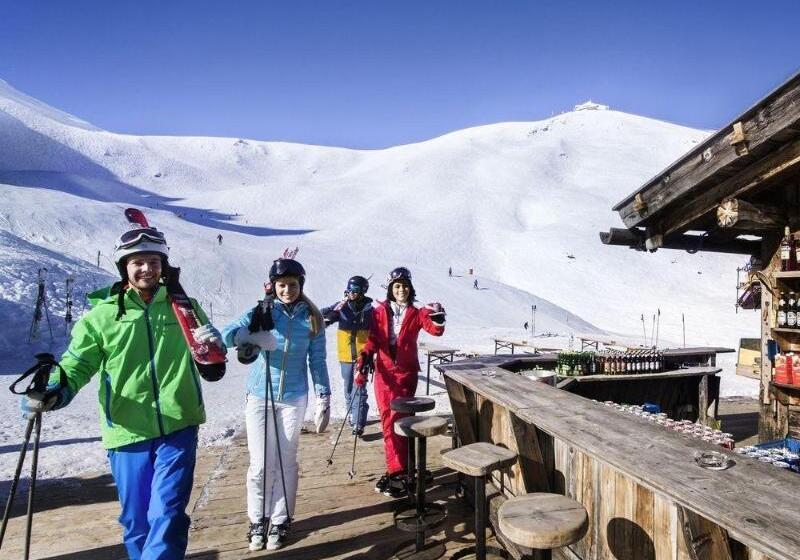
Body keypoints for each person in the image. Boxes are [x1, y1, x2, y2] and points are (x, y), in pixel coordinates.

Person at [20, 224, 225, 560]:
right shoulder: (101, 316)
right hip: (126, 430)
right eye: (138, 262)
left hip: (179, 423)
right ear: (124, 267)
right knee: (137, 522)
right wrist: (55, 389)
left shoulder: (184, 307)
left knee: (168, 515)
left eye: (154, 262)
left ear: (163, 266)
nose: (147, 269)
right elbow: (78, 364)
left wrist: (214, 349)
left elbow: (210, 361)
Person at [222, 258, 331, 551]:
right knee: (260, 464)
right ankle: (258, 518)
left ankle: (281, 519)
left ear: (301, 285)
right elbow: (227, 335)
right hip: (260, 395)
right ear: (273, 286)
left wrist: (324, 396)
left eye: (293, 285)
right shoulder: (263, 311)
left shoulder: (312, 317)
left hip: (294, 397)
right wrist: (251, 336)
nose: (287, 290)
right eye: (282, 285)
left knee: (285, 461)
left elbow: (317, 360)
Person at [355, 267, 445, 498]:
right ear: (390, 289)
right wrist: (364, 359)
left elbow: (435, 331)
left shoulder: (416, 313)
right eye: (397, 286)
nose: (401, 290)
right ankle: (398, 470)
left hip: (405, 374)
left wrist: (437, 316)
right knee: (388, 421)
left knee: (403, 422)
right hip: (384, 375)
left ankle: (404, 470)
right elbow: (372, 341)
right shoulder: (379, 312)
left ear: (410, 288)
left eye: (404, 286)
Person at [321, 275, 374, 437]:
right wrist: (333, 310)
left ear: (363, 291)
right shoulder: (342, 307)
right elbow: (322, 317)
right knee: (348, 388)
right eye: (349, 289)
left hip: (362, 355)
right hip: (345, 355)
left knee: (359, 388)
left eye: (355, 290)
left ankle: (358, 422)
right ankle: (354, 415)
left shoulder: (370, 310)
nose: (351, 293)